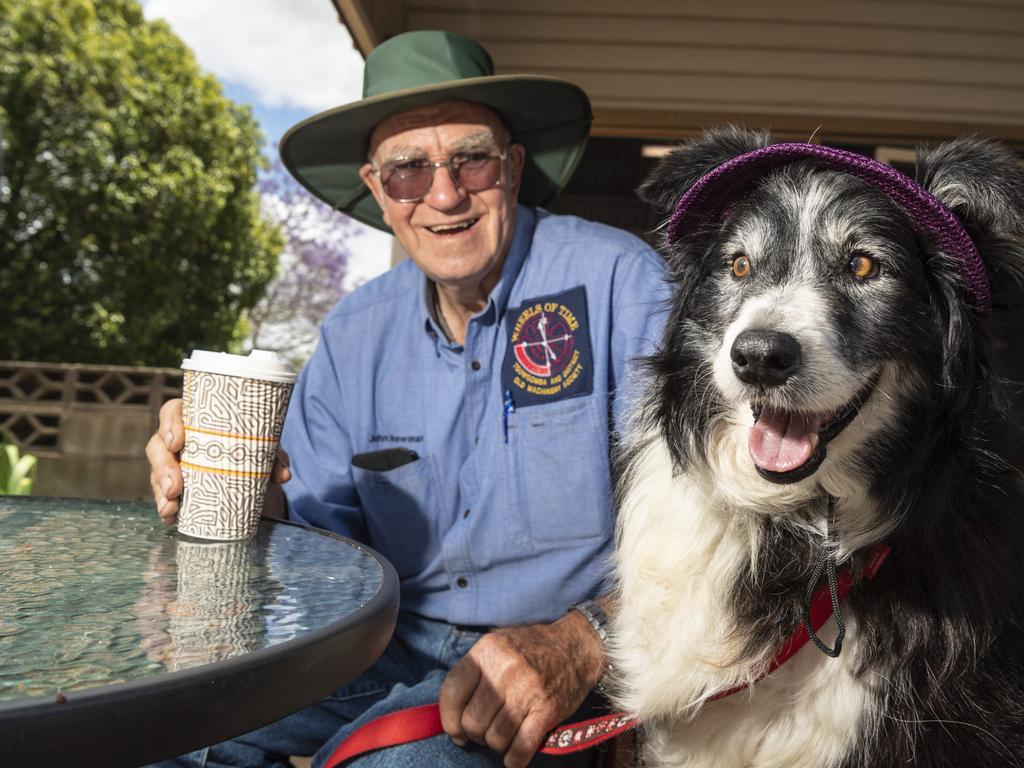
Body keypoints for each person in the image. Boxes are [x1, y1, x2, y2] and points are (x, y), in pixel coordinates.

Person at [146, 30, 669, 768]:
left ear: (513, 167)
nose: (446, 195)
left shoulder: (623, 284)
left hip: (558, 657)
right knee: (169, 722)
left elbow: (714, 531)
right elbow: (313, 550)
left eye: (472, 159)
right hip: (375, 649)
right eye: (409, 171)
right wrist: (240, 489)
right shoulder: (352, 336)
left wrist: (582, 640)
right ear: (379, 191)